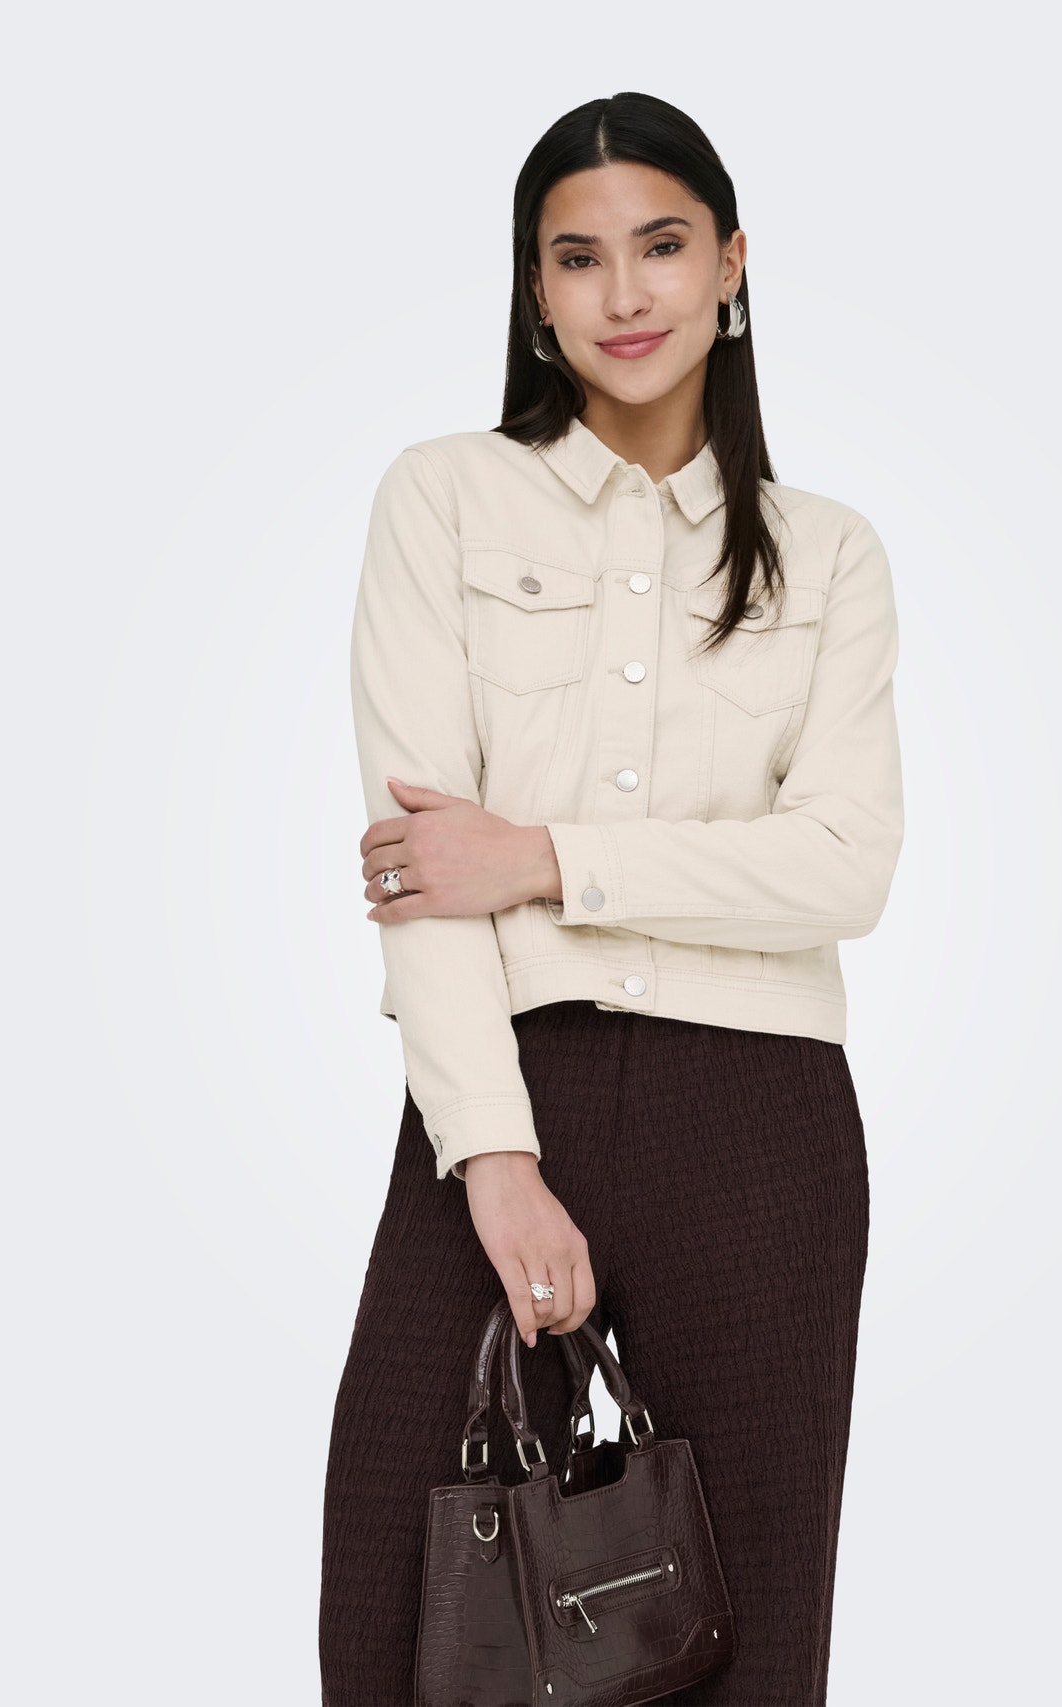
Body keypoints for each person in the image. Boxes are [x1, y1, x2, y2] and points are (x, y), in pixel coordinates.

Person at [319, 89, 905, 1707]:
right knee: (395, 1622)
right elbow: (422, 875)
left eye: (662, 246)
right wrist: (498, 1164)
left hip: (761, 1125)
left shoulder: (829, 557)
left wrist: (548, 858)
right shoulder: (443, 499)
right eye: (578, 259)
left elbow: (845, 865)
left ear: (732, 265)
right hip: (500, 1094)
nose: (625, 294)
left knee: (741, 1651)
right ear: (535, 289)